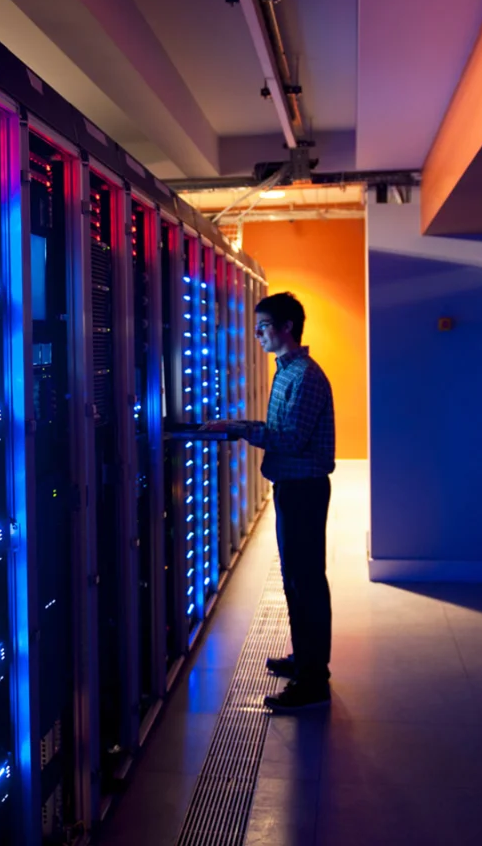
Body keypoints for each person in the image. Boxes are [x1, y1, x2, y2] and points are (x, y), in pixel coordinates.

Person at [203, 291, 335, 711]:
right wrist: (238, 426)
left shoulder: (305, 377)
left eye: (262, 327)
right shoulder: (286, 372)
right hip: (291, 488)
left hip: (304, 490)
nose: (256, 334)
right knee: (295, 579)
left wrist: (239, 428)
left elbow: (292, 440)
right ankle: (305, 659)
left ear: (286, 328)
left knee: (307, 581)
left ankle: (314, 681)